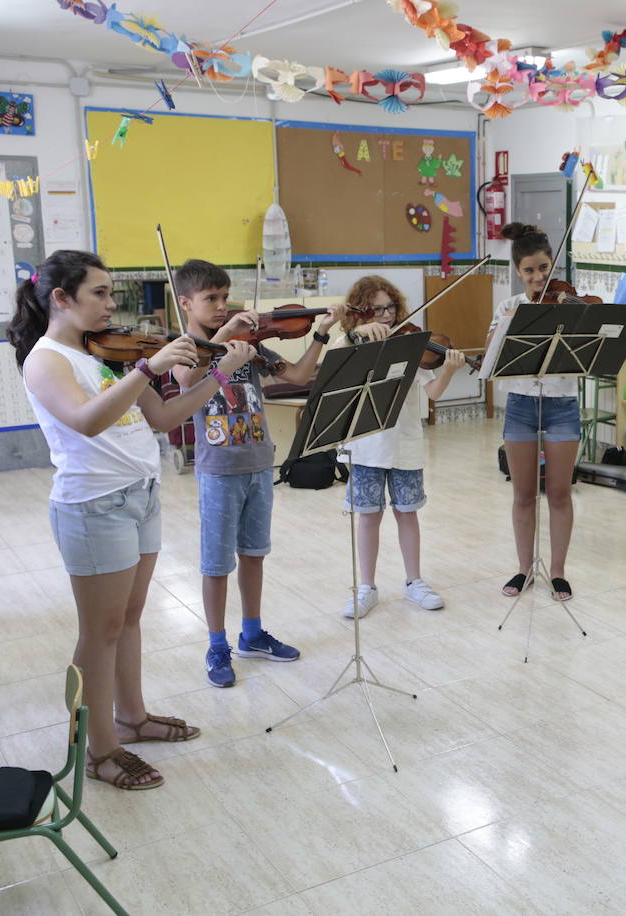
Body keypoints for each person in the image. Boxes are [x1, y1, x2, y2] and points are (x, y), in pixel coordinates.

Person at [9, 249, 255, 789]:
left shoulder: (107, 353)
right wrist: (149, 366)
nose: (110, 303)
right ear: (60, 298)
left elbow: (166, 417)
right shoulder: (47, 359)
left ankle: (133, 717)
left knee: (129, 618)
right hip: (93, 504)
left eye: (109, 292)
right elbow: (85, 421)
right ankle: (100, 750)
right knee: (99, 632)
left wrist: (221, 371)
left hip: (139, 494)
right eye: (98, 292)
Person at [169, 259, 346, 688]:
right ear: (186, 303)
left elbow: (300, 375)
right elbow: (185, 381)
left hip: (258, 464)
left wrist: (321, 334)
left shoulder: (251, 346)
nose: (220, 306)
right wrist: (223, 337)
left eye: (224, 298)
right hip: (219, 471)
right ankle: (216, 645)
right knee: (216, 564)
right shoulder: (186, 348)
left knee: (254, 554)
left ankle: (252, 634)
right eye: (210, 299)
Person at [333, 275, 465, 618]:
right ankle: (366, 587)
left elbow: (432, 393)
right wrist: (356, 335)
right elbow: (331, 359)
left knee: (407, 512)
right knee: (368, 516)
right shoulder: (352, 343)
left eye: (390, 307)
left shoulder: (409, 344)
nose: (387, 314)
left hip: (404, 442)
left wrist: (448, 371)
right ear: (360, 312)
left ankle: (414, 582)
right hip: (365, 446)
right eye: (377, 309)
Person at [489, 222, 582, 602]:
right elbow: (493, 358)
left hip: (562, 405)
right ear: (518, 271)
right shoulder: (510, 307)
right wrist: (507, 328)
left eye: (544, 268)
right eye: (529, 270)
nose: (538, 276)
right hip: (521, 405)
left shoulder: (568, 304)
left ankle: (557, 572)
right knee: (523, 494)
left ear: (552, 266)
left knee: (559, 493)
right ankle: (525, 567)